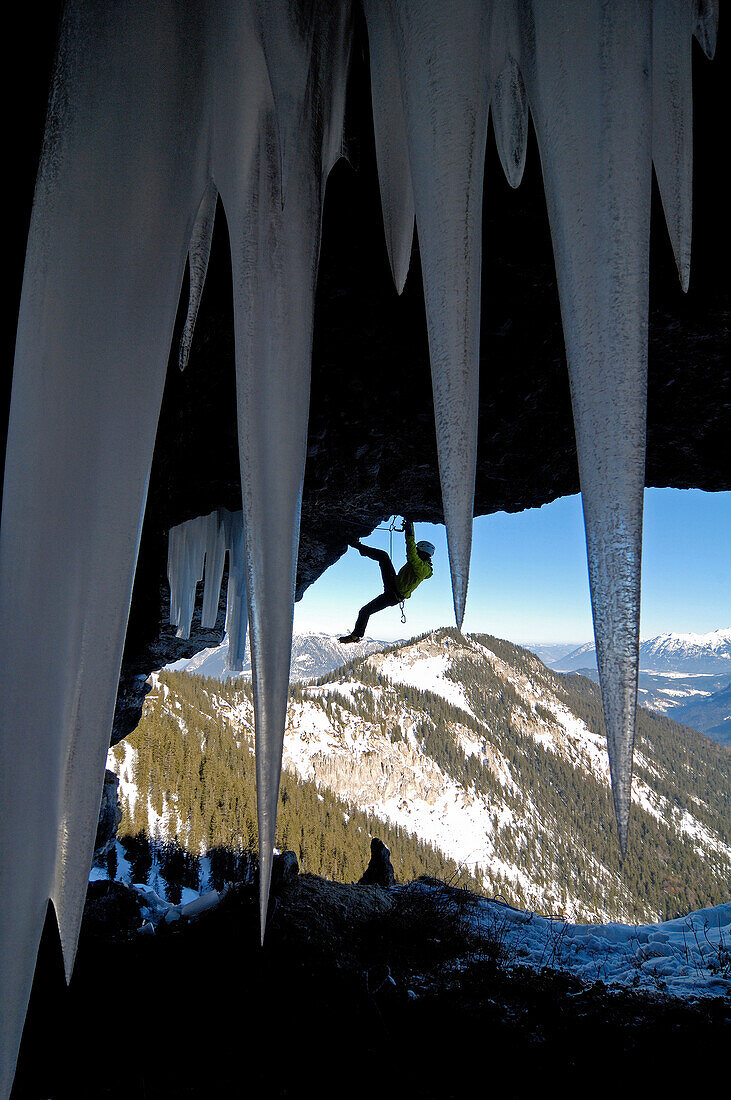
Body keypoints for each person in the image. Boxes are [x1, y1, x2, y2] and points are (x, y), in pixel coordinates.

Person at [339, 519, 434, 643]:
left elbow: (411, 551)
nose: (415, 552)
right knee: (383, 557)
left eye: (417, 551)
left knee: (365, 611)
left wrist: (409, 528)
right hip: (394, 587)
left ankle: (355, 636)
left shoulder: (421, 567)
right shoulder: (423, 568)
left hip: (393, 593)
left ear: (421, 552)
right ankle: (356, 545)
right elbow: (415, 560)